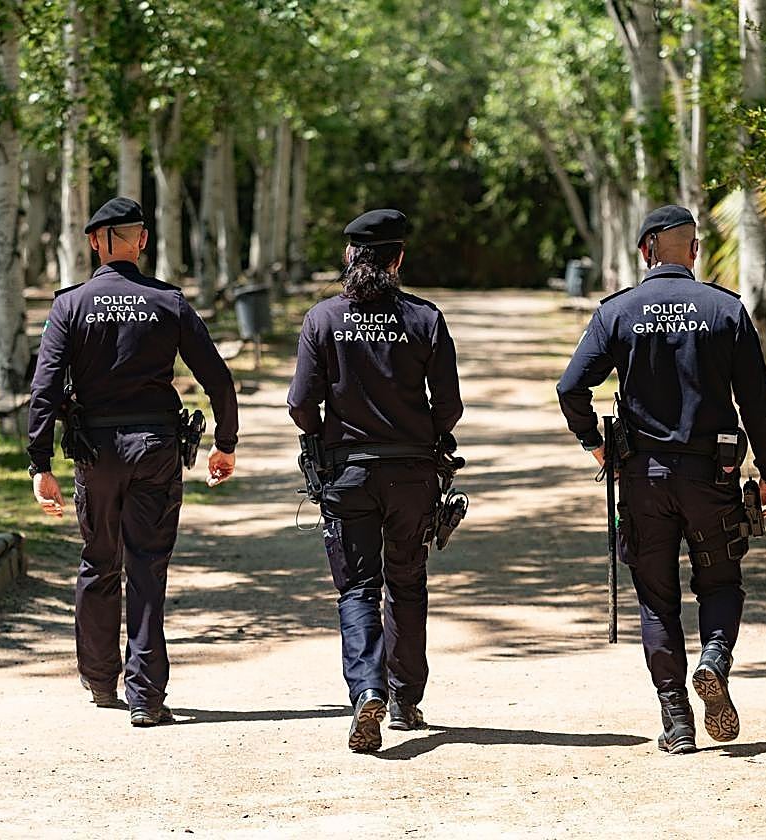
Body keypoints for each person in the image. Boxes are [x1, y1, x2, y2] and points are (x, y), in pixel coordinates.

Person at [556, 205, 766, 754]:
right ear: (695, 251)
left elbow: (570, 387)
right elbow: (758, 400)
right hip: (713, 477)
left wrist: (596, 445)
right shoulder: (724, 309)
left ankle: (677, 720)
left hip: (643, 480)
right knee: (721, 583)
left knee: (656, 598)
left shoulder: (618, 312)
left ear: (646, 251)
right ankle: (714, 660)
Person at [27, 197, 239, 727]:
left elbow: (45, 389)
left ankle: (101, 680)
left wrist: (40, 463)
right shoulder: (168, 302)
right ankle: (145, 696)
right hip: (155, 449)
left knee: (99, 561)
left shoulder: (71, 305)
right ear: (141, 240)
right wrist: (225, 442)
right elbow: (217, 378)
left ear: (94, 242)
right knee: (147, 567)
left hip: (96, 453)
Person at [287, 208, 463, 753]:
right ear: (398, 259)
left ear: (349, 256)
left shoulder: (322, 319)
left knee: (358, 588)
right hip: (412, 475)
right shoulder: (425, 319)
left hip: (347, 474)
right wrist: (425, 436)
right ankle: (405, 698)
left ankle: (368, 690)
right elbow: (449, 406)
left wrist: (325, 437)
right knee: (406, 583)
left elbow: (300, 404)